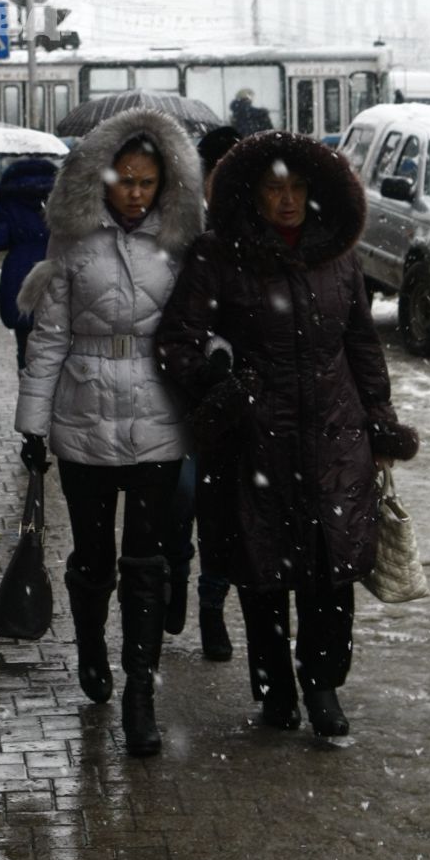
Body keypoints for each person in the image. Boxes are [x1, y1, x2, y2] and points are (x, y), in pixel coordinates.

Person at [157, 130, 419, 738]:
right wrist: (221, 388)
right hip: (256, 438)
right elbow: (176, 341)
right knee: (262, 569)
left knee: (331, 570)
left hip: (334, 435)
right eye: (275, 188)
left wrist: (378, 420)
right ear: (253, 195)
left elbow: (361, 343)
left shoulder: (338, 255)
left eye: (298, 187)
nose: (288, 200)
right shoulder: (218, 254)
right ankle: (276, 690)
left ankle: (324, 686)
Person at [14, 108, 203, 756]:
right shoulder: (72, 242)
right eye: (125, 178)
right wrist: (32, 425)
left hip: (157, 419)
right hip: (83, 416)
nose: (135, 191)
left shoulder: (178, 245)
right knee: (94, 557)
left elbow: (196, 330)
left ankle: (140, 691)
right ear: (104, 177)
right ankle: (91, 645)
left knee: (145, 560)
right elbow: (51, 336)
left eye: (147, 181)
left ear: (163, 183)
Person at [162, 125, 239, 660]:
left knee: (223, 512)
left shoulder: (245, 236)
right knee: (178, 501)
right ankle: (175, 579)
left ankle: (212, 607)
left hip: (230, 396)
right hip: (180, 390)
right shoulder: (176, 228)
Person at [0, 153, 59, 369]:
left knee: (25, 340)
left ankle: (27, 385)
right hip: (54, 269)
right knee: (56, 338)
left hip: (19, 272)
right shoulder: (60, 194)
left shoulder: (8, 198)